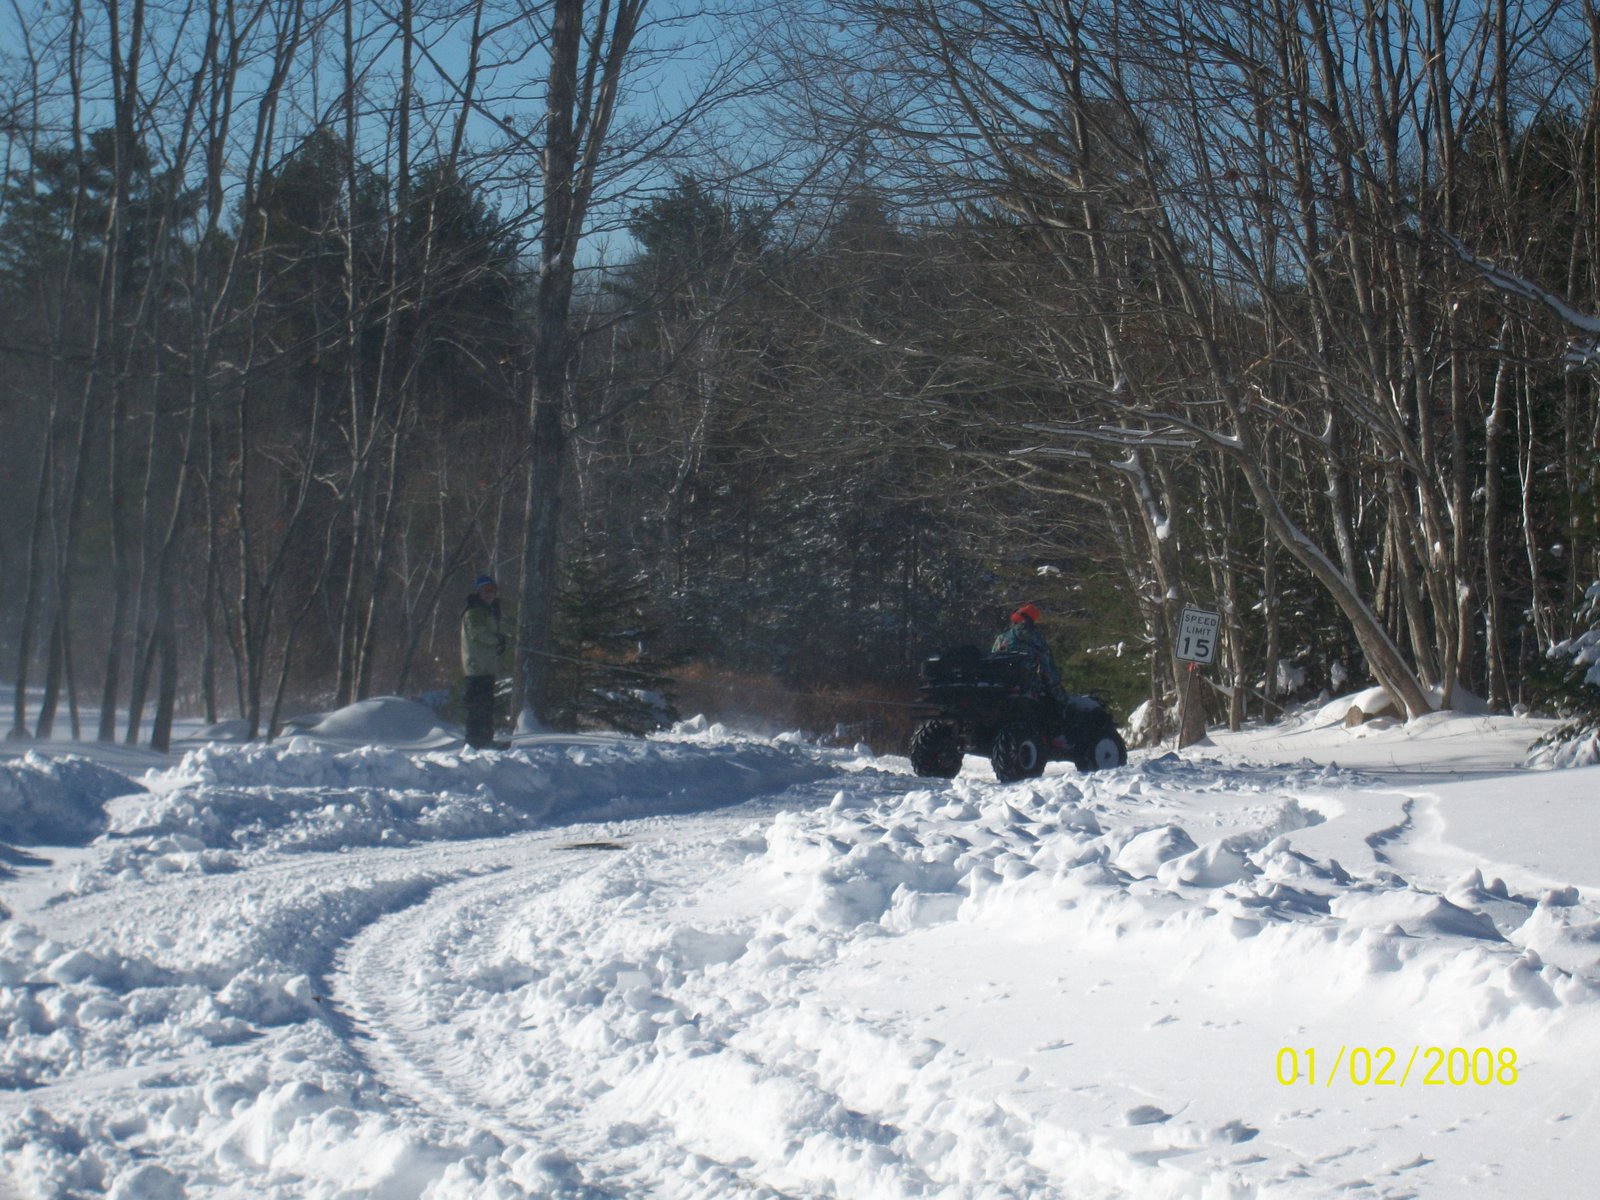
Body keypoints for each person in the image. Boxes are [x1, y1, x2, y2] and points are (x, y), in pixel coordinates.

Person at [992, 603, 1069, 709]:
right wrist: (1061, 697)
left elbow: (992, 661)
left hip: (1000, 689)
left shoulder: (1002, 638)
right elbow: (1048, 670)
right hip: (1029, 691)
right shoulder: (1037, 640)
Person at [460, 574, 506, 749]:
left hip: (486, 667)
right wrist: (498, 640)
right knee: (476, 708)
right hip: (475, 668)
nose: (490, 594)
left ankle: (486, 740)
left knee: (486, 707)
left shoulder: (488, 611)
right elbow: (479, 635)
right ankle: (473, 743)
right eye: (486, 590)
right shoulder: (474, 612)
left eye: (492, 590)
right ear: (479, 591)